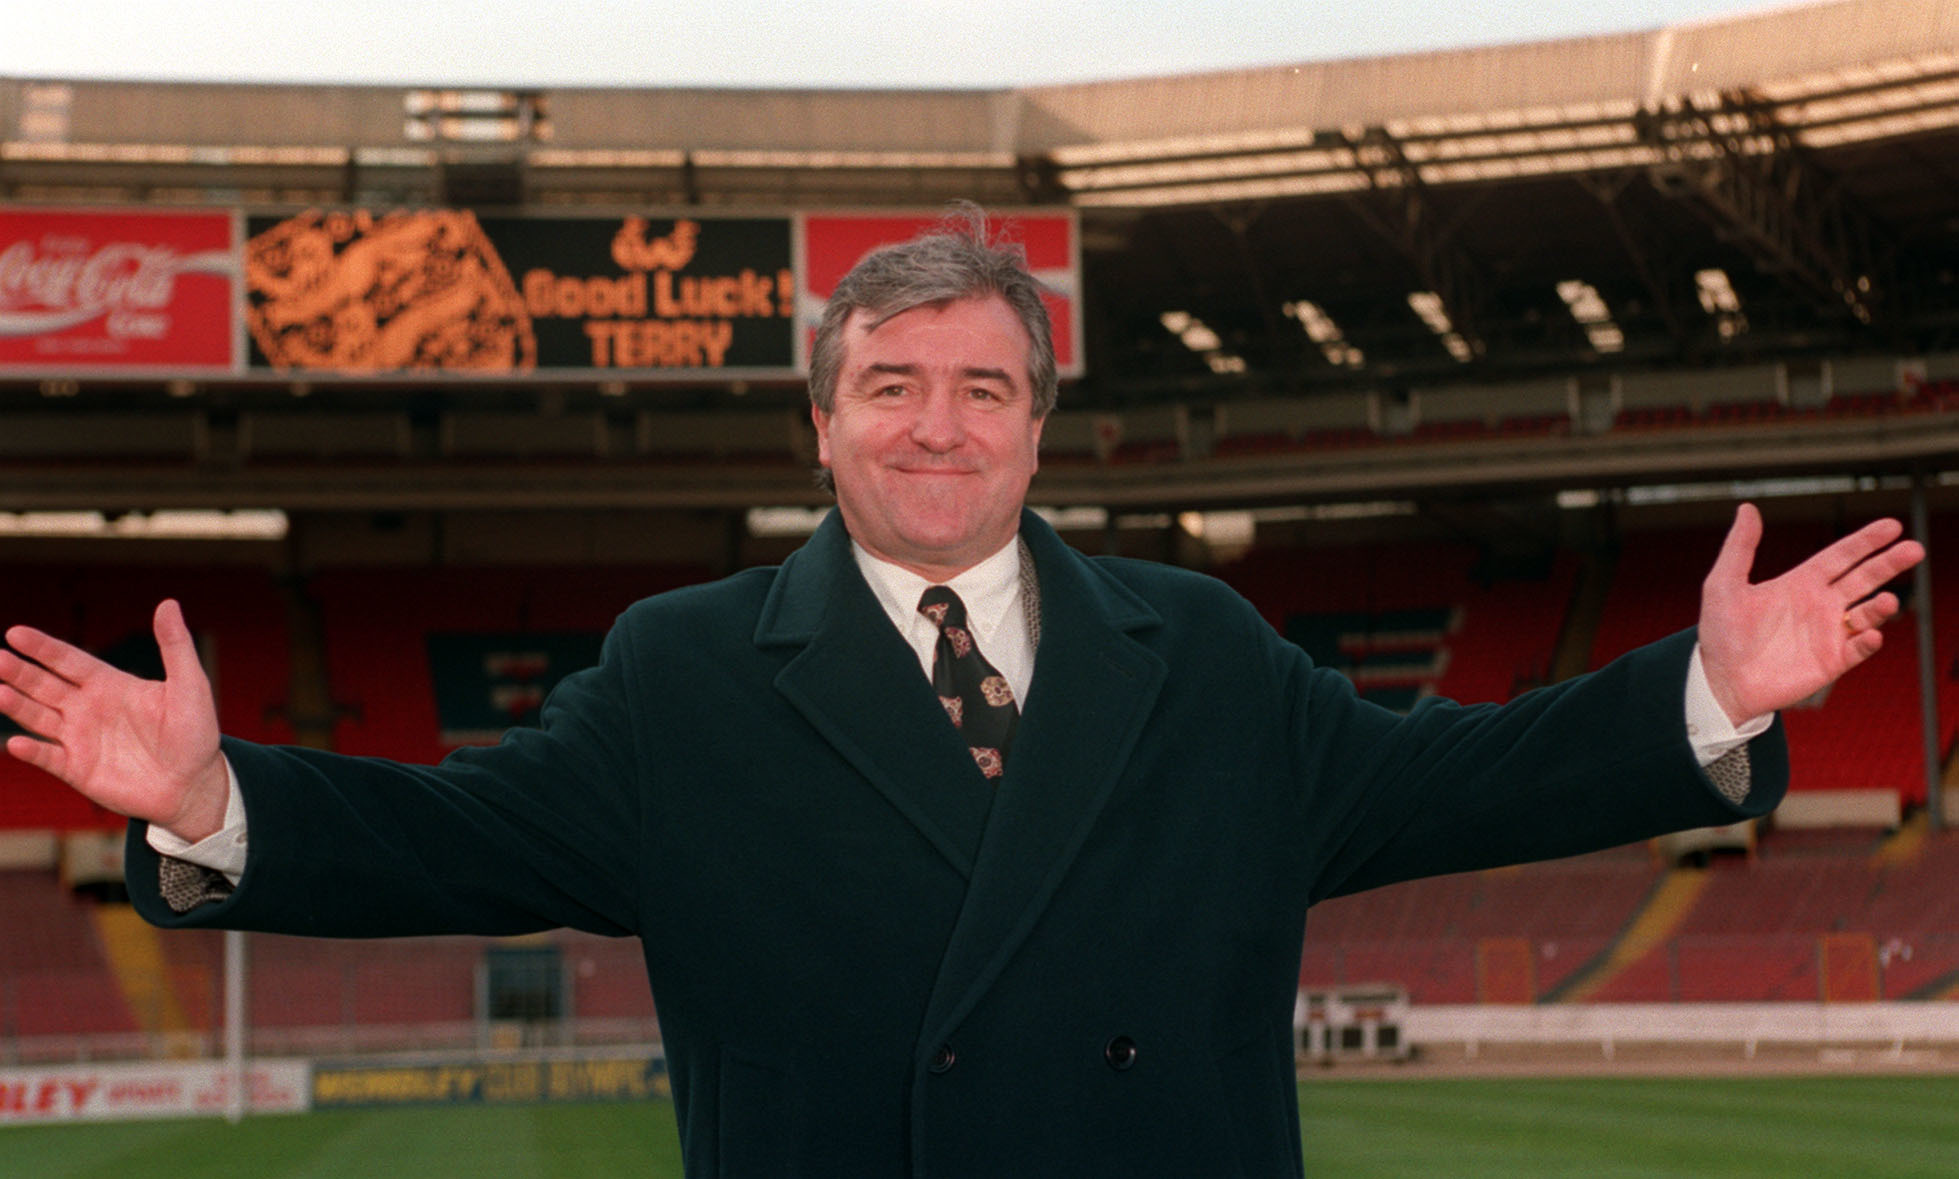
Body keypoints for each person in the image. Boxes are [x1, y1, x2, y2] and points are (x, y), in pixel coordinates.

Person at [0, 208, 1926, 1177]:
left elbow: (1467, 782)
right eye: (896, 386)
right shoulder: (683, 670)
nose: (941, 423)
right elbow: (465, 835)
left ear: (1036, 428)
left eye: (985, 386)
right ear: (823, 423)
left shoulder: (1208, 652)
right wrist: (211, 799)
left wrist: (1702, 690)